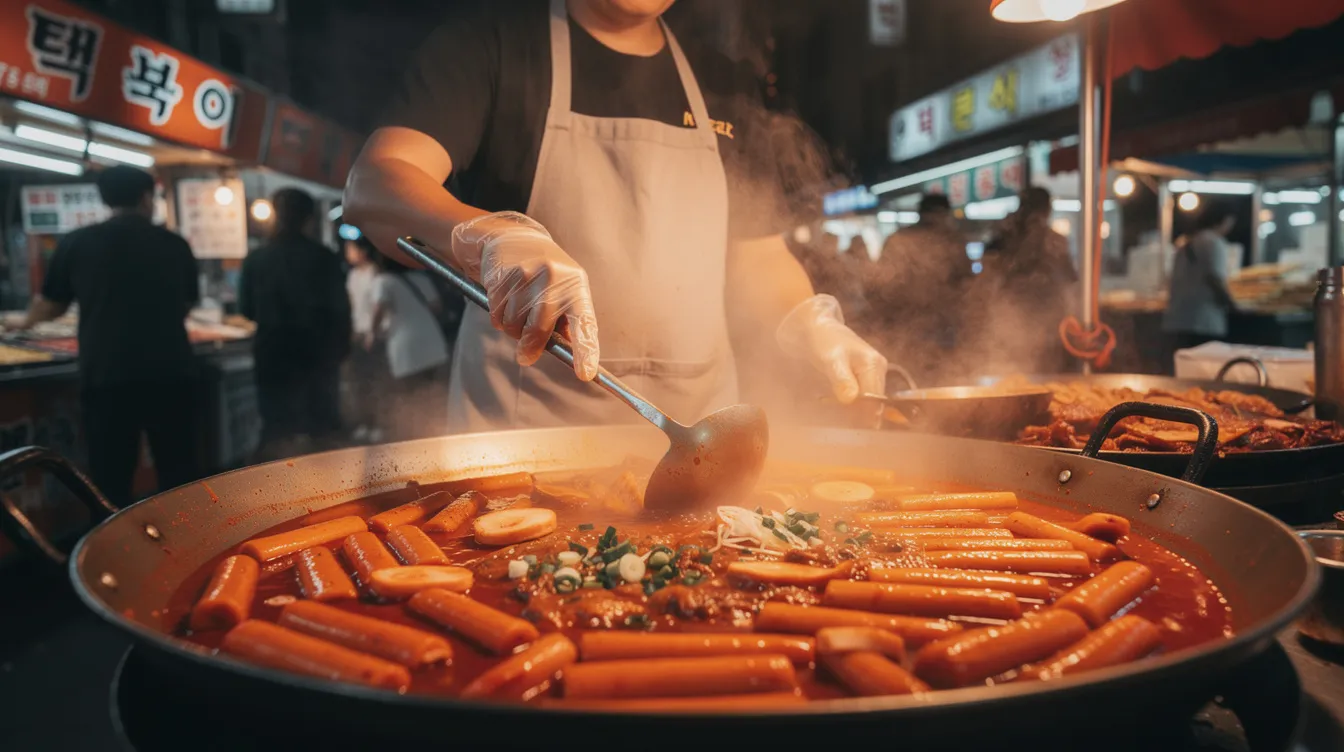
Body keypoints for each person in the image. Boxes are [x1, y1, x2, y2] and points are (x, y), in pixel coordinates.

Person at [343, 0, 887, 432]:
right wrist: (483, 238)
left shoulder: (723, 82)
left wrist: (810, 324)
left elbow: (756, 257)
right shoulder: (493, 45)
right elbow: (375, 181)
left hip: (697, 439)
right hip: (524, 439)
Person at [19, 166, 200, 507]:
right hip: (171, 372)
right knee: (178, 473)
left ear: (104, 199)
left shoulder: (77, 242)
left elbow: (52, 306)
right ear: (147, 198)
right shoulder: (174, 244)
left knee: (110, 477)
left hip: (108, 375)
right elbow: (188, 303)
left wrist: (20, 324)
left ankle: (108, 553)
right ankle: (187, 547)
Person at [239, 188, 351, 458]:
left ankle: (273, 496)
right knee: (321, 433)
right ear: (309, 218)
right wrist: (341, 351)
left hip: (273, 355)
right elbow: (341, 310)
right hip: (318, 356)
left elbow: (247, 310)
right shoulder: (324, 258)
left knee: (277, 429)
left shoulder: (257, 259)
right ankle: (329, 494)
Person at [971, 187, 1078, 374]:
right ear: (1047, 209)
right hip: (1037, 320)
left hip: (1016, 320)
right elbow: (1070, 281)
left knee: (1012, 371)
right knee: (1048, 376)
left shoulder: (1002, 237)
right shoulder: (1053, 240)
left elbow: (985, 278)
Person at [873, 194, 970, 383]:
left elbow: (877, 287)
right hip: (935, 327)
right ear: (943, 213)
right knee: (939, 379)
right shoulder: (953, 241)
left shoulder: (898, 238)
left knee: (909, 379)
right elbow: (967, 286)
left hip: (912, 327)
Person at [367, 248, 451, 439]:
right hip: (431, 340)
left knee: (410, 393)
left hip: (405, 345)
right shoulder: (421, 279)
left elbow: (378, 311)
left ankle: (415, 435)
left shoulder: (383, 281)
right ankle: (434, 431)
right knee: (431, 391)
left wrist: (372, 333)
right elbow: (437, 307)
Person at [1163, 206, 1238, 358]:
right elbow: (1215, 279)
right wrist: (1233, 306)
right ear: (1222, 221)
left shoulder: (1186, 242)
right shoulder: (1213, 243)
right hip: (1203, 322)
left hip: (1178, 319)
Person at [344, 234, 385, 442]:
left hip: (372, 336)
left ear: (363, 251)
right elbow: (352, 306)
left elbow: (378, 307)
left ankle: (376, 424)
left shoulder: (375, 274)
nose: (348, 253)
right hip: (357, 334)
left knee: (374, 380)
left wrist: (372, 333)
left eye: (351, 249)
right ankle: (363, 423)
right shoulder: (352, 275)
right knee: (358, 381)